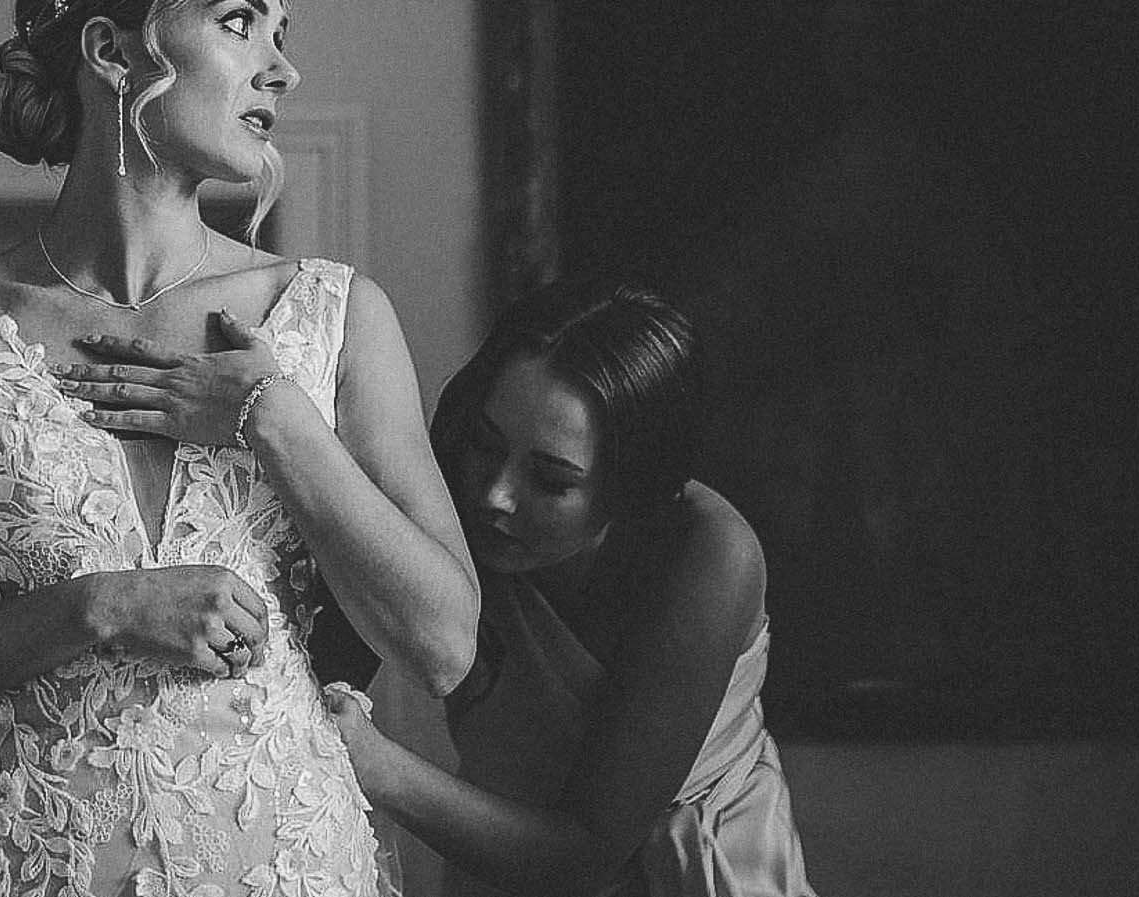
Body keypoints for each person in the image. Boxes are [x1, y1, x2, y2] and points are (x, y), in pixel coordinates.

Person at [0, 0, 479, 897]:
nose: (281, 70)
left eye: (281, 35)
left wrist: (273, 415)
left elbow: (444, 646)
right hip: (13, 863)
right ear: (113, 51)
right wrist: (101, 606)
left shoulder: (336, 316)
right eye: (239, 21)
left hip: (282, 866)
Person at [320, 284, 817, 897]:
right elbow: (319, 663)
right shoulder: (448, 497)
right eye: (487, 447)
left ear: (631, 486)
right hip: (497, 866)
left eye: (551, 480)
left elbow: (584, 855)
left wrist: (376, 764)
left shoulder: (711, 554)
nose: (495, 496)